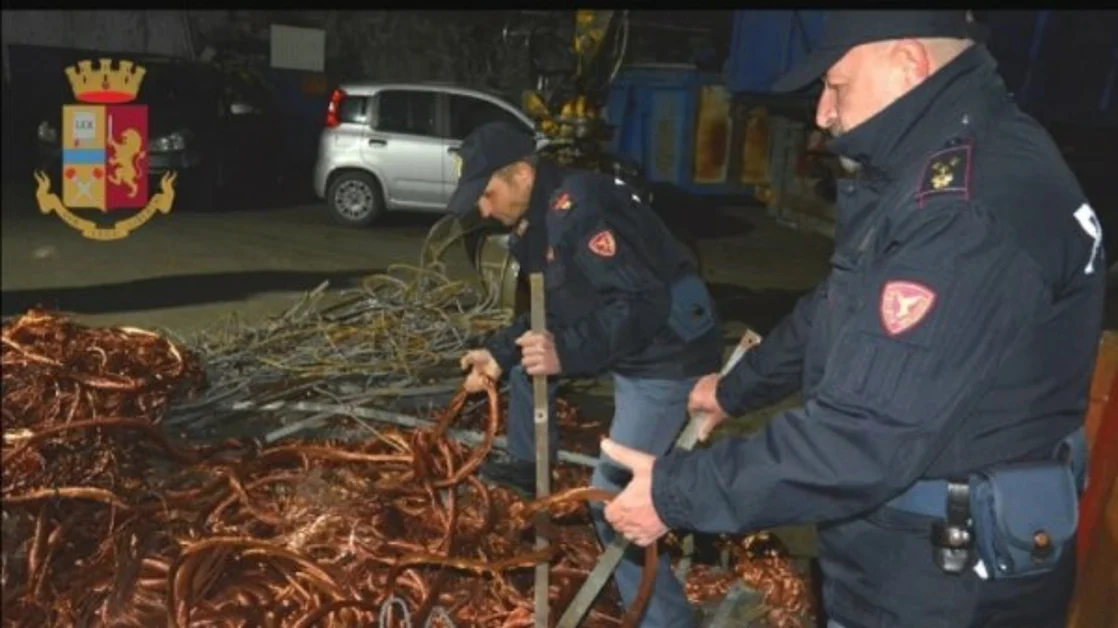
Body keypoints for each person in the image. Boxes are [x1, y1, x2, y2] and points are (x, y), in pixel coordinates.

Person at [599, 10, 1103, 628]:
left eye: (836, 87)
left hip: (945, 587)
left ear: (907, 63)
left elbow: (864, 438)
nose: (823, 115)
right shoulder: (939, 167)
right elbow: (838, 309)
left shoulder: (968, 208)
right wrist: (734, 390)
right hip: (912, 552)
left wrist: (677, 494)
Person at [449, 121, 723, 626]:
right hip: (638, 351)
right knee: (635, 487)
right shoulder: (542, 218)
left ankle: (665, 620)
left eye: (487, 194)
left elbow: (642, 302)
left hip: (666, 357)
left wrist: (566, 353)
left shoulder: (581, 213)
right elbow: (551, 306)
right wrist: (498, 354)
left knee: (613, 501)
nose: (483, 211)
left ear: (522, 174)